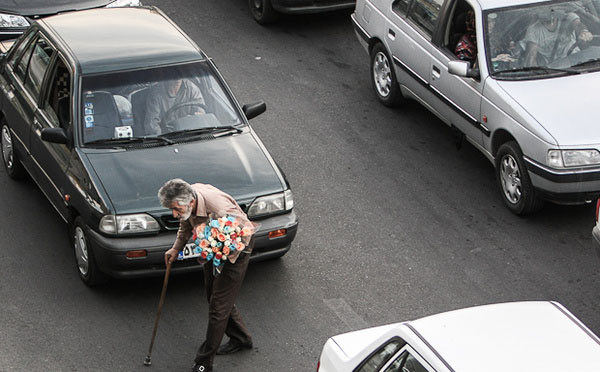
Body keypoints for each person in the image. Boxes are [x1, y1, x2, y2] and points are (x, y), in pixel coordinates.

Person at [159, 179, 255, 372]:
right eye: (172, 209)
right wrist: (176, 248)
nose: (174, 214)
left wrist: (224, 254)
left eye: (176, 209)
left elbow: (245, 233)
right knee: (213, 296)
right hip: (212, 245)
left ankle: (204, 363)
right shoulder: (189, 198)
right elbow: (186, 224)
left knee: (218, 307)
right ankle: (241, 338)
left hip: (236, 248)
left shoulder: (219, 209)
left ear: (191, 202)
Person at [523, 9, 593, 66]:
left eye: (549, 7)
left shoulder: (568, 17)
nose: (546, 11)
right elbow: (531, 56)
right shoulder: (533, 30)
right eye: (542, 9)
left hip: (576, 61)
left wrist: (584, 32)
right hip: (555, 68)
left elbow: (578, 25)